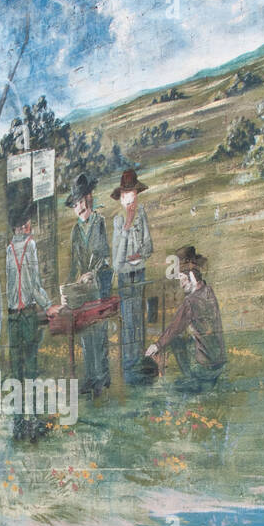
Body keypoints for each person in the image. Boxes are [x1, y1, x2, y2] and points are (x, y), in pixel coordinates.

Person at [4, 186, 52, 439]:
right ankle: (33, 423)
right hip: (28, 316)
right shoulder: (30, 246)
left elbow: (12, 288)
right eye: (28, 220)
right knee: (31, 369)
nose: (30, 223)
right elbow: (33, 285)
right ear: (22, 225)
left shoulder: (8, 250)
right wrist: (48, 305)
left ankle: (17, 424)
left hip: (13, 316)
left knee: (16, 371)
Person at [146, 246, 226, 392]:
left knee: (176, 340)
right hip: (219, 366)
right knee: (187, 337)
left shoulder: (190, 301)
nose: (181, 284)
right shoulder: (209, 292)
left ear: (192, 276)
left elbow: (174, 328)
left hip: (205, 370)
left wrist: (156, 346)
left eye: (183, 279)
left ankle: (192, 378)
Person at [64, 173, 112, 397]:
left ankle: (101, 379)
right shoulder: (75, 231)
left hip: (99, 282)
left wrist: (91, 273)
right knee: (85, 330)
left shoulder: (99, 222)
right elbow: (74, 262)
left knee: (98, 330)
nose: (80, 207)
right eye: (75, 204)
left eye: (82, 202)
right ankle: (90, 376)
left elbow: (103, 253)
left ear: (89, 199)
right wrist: (73, 281)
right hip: (83, 287)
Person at [110, 168, 153, 384]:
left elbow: (148, 245)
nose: (131, 202)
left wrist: (141, 253)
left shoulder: (142, 214)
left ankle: (139, 362)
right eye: (126, 197)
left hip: (140, 271)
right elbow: (117, 261)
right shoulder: (118, 222)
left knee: (140, 317)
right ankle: (128, 366)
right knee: (128, 319)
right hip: (126, 276)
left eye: (133, 196)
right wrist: (126, 229)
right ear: (121, 198)